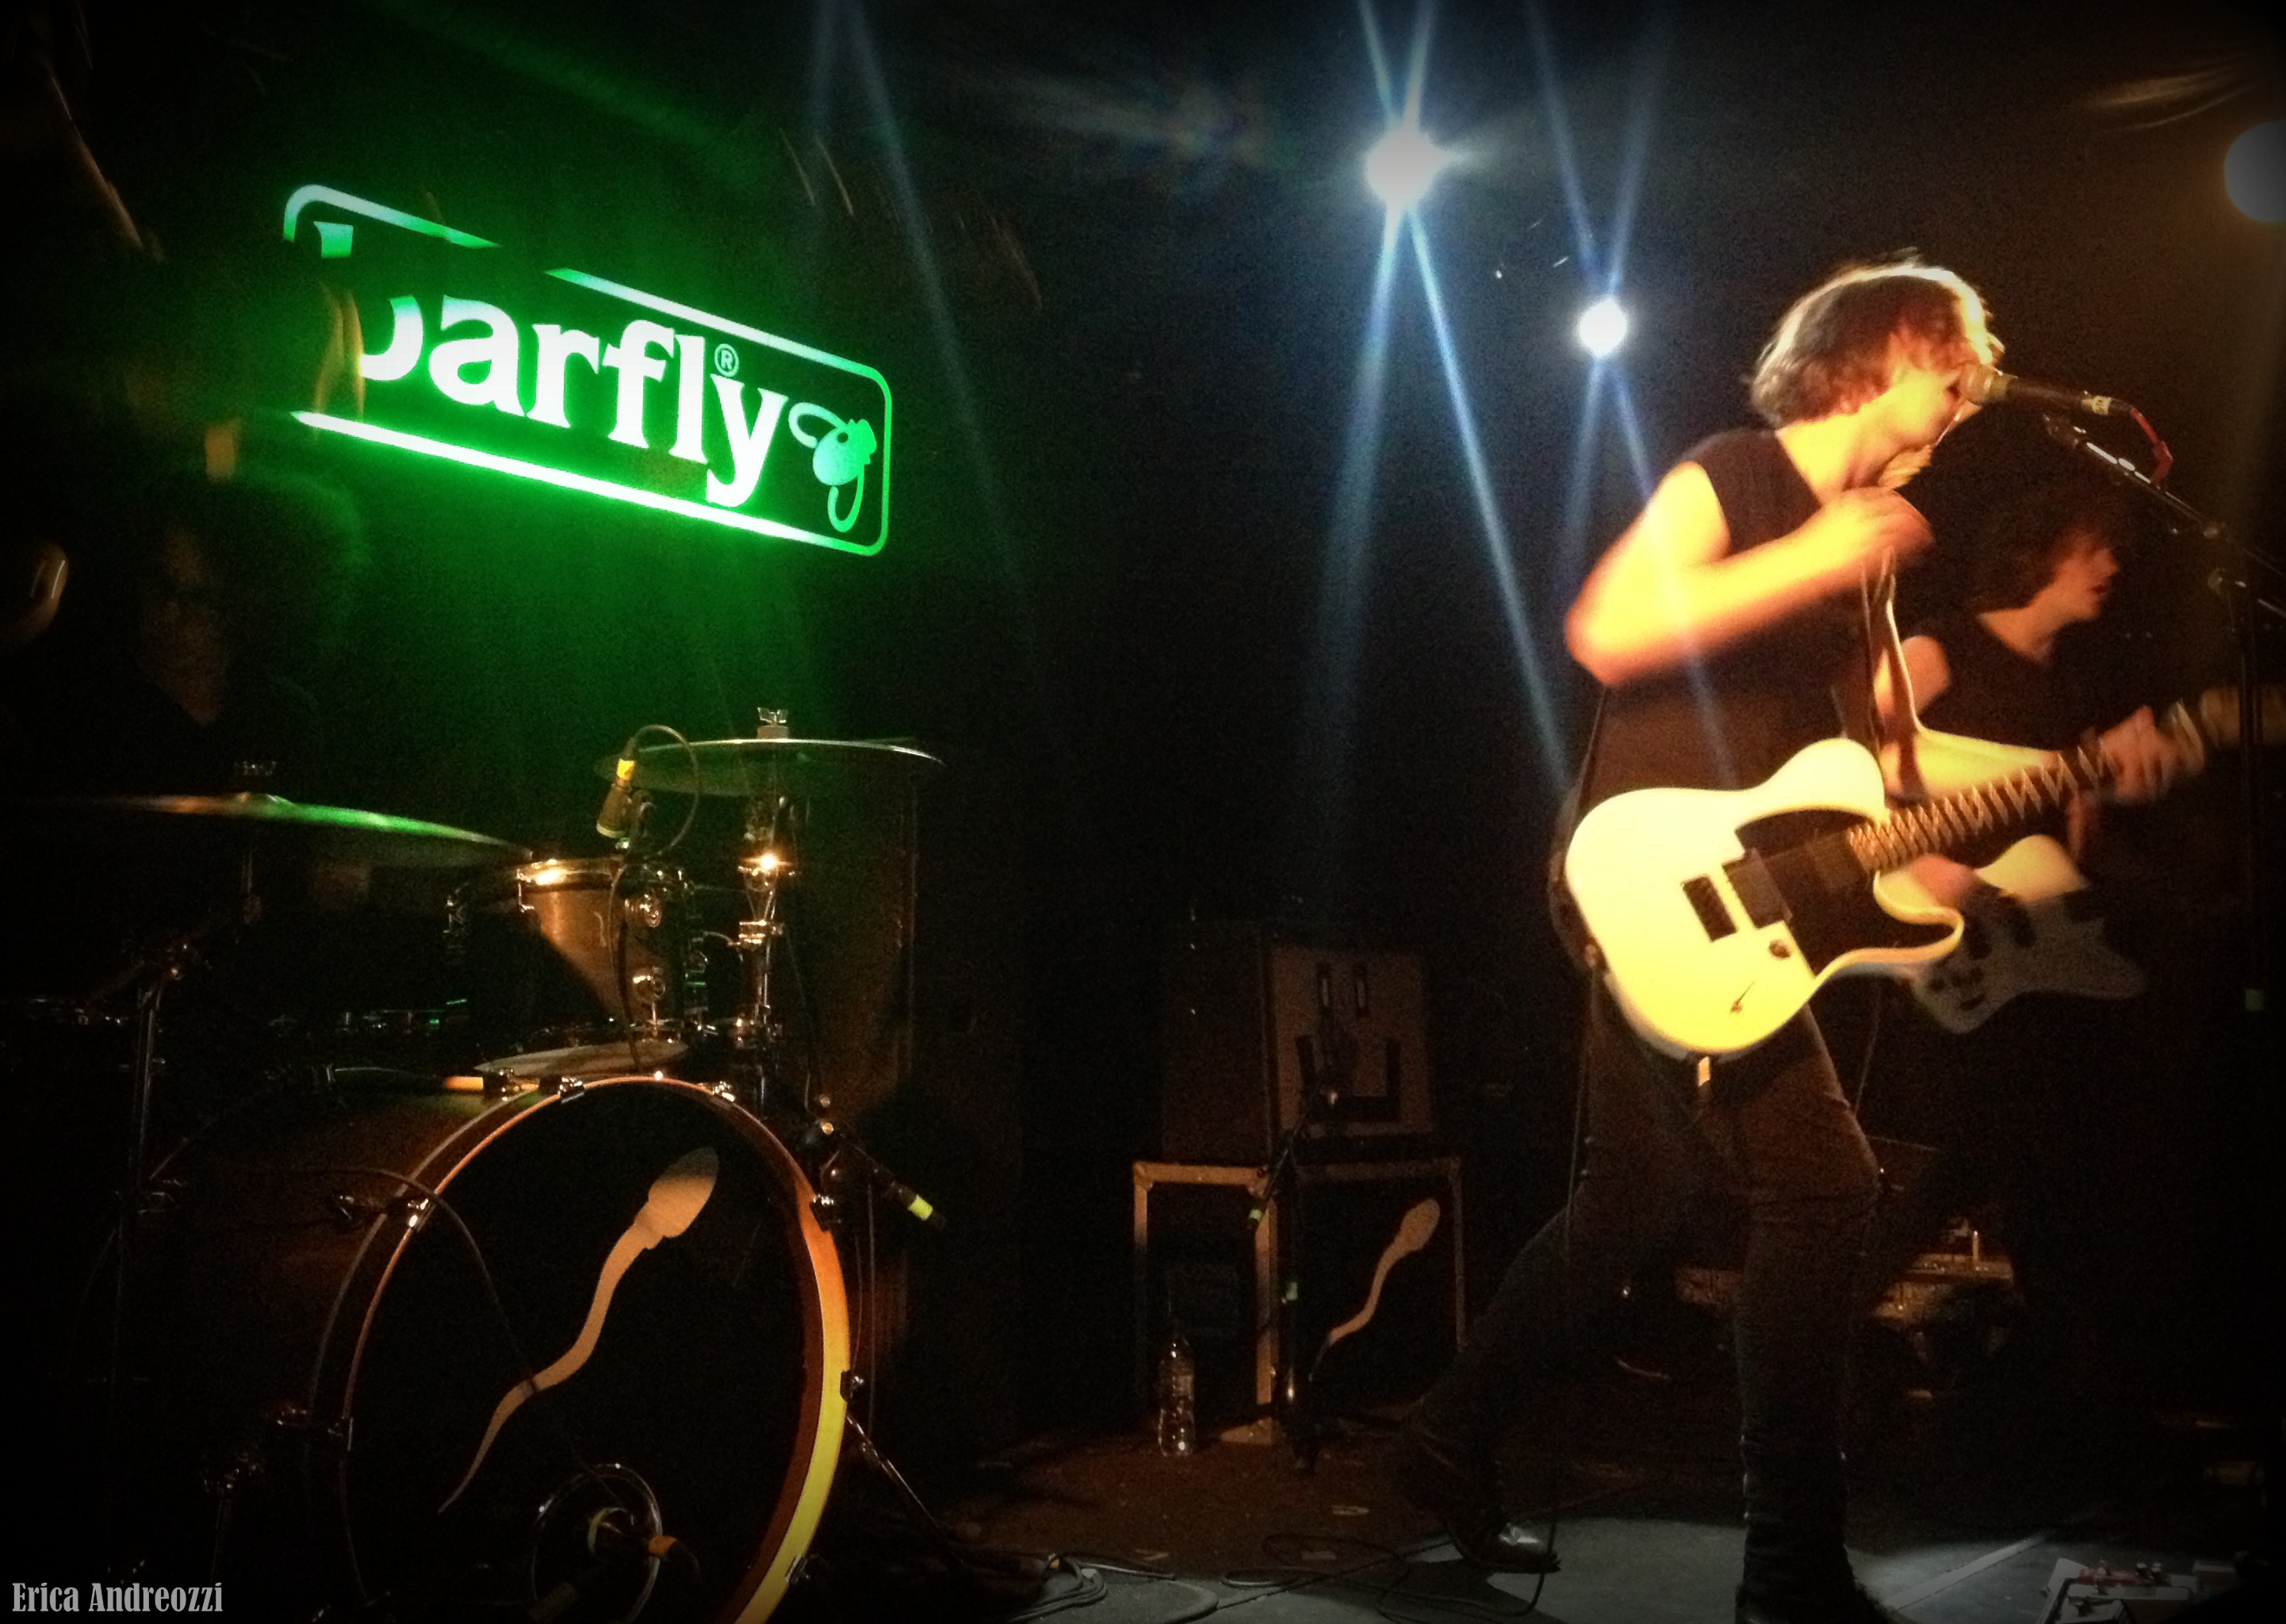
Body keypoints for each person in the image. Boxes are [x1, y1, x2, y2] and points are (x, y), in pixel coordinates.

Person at [1384, 258, 2085, 1624]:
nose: (1973, 390)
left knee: (1630, 1202)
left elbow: (1900, 764)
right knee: (1828, 1191)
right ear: (1896, 349)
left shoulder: (1869, 560)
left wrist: (2073, 768)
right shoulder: (1735, 474)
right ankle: (1790, 1565)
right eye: (1961, 359)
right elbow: (1609, 628)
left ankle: (1444, 1439)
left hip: (1744, 912)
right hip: (1646, 878)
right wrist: (1815, 553)